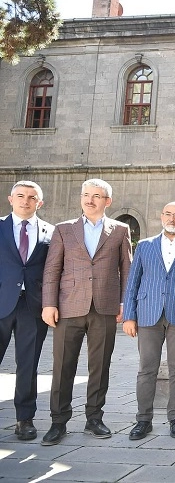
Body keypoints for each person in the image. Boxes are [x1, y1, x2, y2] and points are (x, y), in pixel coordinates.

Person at [41, 178, 132, 446]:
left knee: (100, 366)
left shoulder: (120, 230)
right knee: (62, 366)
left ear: (107, 201)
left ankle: (94, 418)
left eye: (96, 196)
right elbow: (52, 269)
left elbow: (127, 269)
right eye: (86, 195)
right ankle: (58, 422)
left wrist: (125, 304)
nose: (89, 200)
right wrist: (49, 303)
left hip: (105, 307)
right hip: (68, 306)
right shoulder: (63, 229)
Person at [123, 201, 175, 440]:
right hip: (148, 313)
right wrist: (129, 316)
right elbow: (132, 283)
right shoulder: (145, 246)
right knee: (146, 369)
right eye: (168, 214)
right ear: (161, 217)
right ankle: (143, 420)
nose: (172, 219)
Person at [0, 181, 54, 440]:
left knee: (28, 364)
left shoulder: (51, 232)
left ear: (39, 203)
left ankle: (24, 419)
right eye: (20, 196)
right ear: (10, 199)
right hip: (1, 302)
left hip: (33, 307)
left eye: (32, 197)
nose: (25, 200)